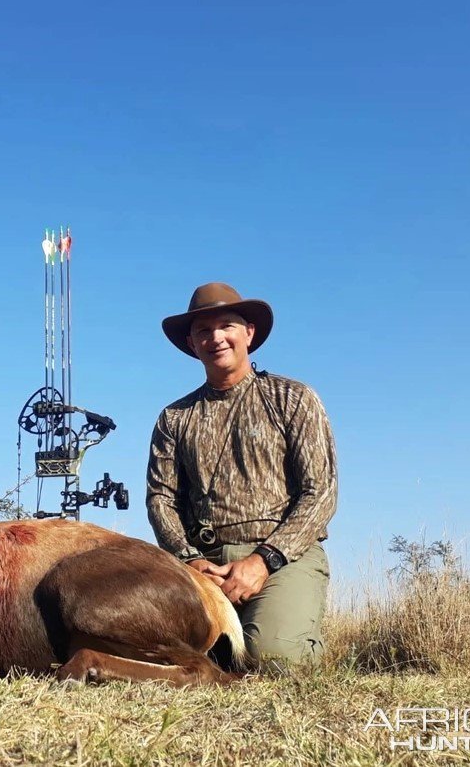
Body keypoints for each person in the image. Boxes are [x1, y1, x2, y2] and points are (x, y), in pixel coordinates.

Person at [147, 282, 337, 664]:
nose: (215, 337)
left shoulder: (293, 398)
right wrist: (191, 561)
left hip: (284, 557)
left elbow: (320, 493)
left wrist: (264, 560)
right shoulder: (174, 417)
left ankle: (302, 644)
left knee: (273, 658)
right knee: (157, 650)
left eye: (227, 325)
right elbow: (161, 500)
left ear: (248, 332)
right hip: (203, 563)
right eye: (203, 330)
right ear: (192, 343)